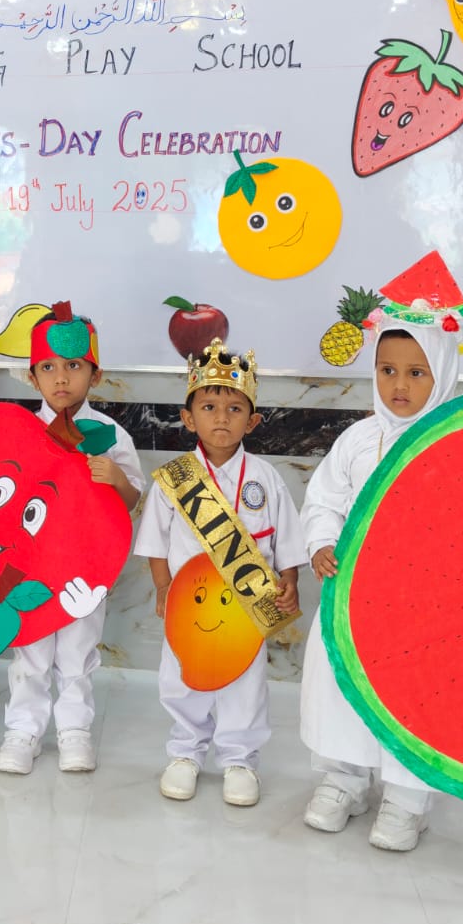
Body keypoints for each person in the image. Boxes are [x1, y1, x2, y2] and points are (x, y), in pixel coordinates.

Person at [298, 254, 463, 852]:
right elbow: (324, 500)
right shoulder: (357, 440)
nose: (399, 386)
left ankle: (407, 798)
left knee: (418, 700)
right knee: (342, 690)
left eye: (417, 373)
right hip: (355, 603)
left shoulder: (461, 454)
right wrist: (320, 542)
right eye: (388, 370)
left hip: (427, 614)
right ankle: (343, 778)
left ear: (442, 371)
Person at [135, 337, 306, 806]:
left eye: (234, 409)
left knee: (245, 683)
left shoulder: (266, 478)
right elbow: (154, 541)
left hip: (247, 606)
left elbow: (287, 538)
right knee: (181, 677)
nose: (221, 418)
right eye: (209, 407)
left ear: (252, 421)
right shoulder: (177, 479)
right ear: (188, 418)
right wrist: (162, 587)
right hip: (188, 606)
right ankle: (185, 751)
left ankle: (239, 758)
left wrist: (290, 581)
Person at [0, 304, 144, 776]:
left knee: (78, 649)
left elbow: (132, 500)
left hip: (84, 566)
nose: (61, 378)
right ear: (32, 377)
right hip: (31, 565)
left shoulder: (112, 436)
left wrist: (116, 478)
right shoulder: (21, 433)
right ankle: (23, 730)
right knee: (31, 648)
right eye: (48, 367)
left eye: (74, 366)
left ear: (95, 375)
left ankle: (75, 730)